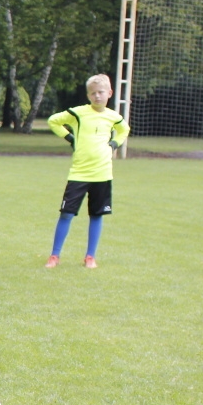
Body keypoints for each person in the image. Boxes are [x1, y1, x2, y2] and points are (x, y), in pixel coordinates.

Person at [44, 74, 130, 269]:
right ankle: (54, 256)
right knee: (66, 213)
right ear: (88, 95)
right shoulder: (78, 113)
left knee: (96, 215)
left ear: (109, 93)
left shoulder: (113, 116)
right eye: (93, 93)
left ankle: (90, 256)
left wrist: (114, 143)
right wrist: (70, 138)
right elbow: (53, 121)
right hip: (79, 174)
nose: (97, 96)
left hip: (102, 174)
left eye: (101, 92)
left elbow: (124, 130)